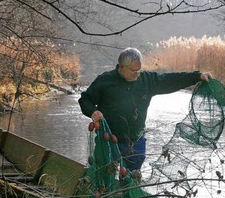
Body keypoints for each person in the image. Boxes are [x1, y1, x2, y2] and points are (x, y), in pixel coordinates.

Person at [78, 47, 211, 174]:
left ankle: (127, 195)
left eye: (139, 70)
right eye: (133, 71)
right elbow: (85, 99)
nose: (137, 74)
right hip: (108, 140)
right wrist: (92, 111)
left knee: (132, 179)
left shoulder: (147, 80)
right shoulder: (104, 81)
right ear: (121, 67)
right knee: (103, 174)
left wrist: (197, 76)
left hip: (136, 141)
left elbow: (171, 80)